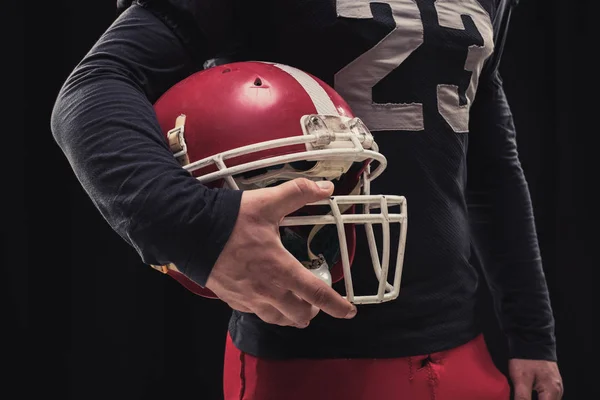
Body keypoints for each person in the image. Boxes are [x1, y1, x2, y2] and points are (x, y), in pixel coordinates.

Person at [50, 0, 564, 399]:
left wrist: (531, 334)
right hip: (305, 355)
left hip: (464, 345)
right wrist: (198, 228)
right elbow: (94, 87)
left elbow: (491, 164)